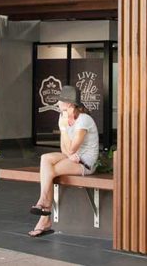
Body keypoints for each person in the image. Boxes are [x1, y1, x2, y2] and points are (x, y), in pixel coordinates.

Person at [28, 85, 99, 238]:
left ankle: (44, 211)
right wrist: (64, 129)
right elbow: (64, 149)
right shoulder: (63, 118)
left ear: (70, 104)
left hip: (85, 162)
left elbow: (72, 148)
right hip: (72, 158)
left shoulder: (84, 120)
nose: (58, 103)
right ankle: (44, 206)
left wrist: (64, 129)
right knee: (45, 158)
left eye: (60, 100)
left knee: (50, 171)